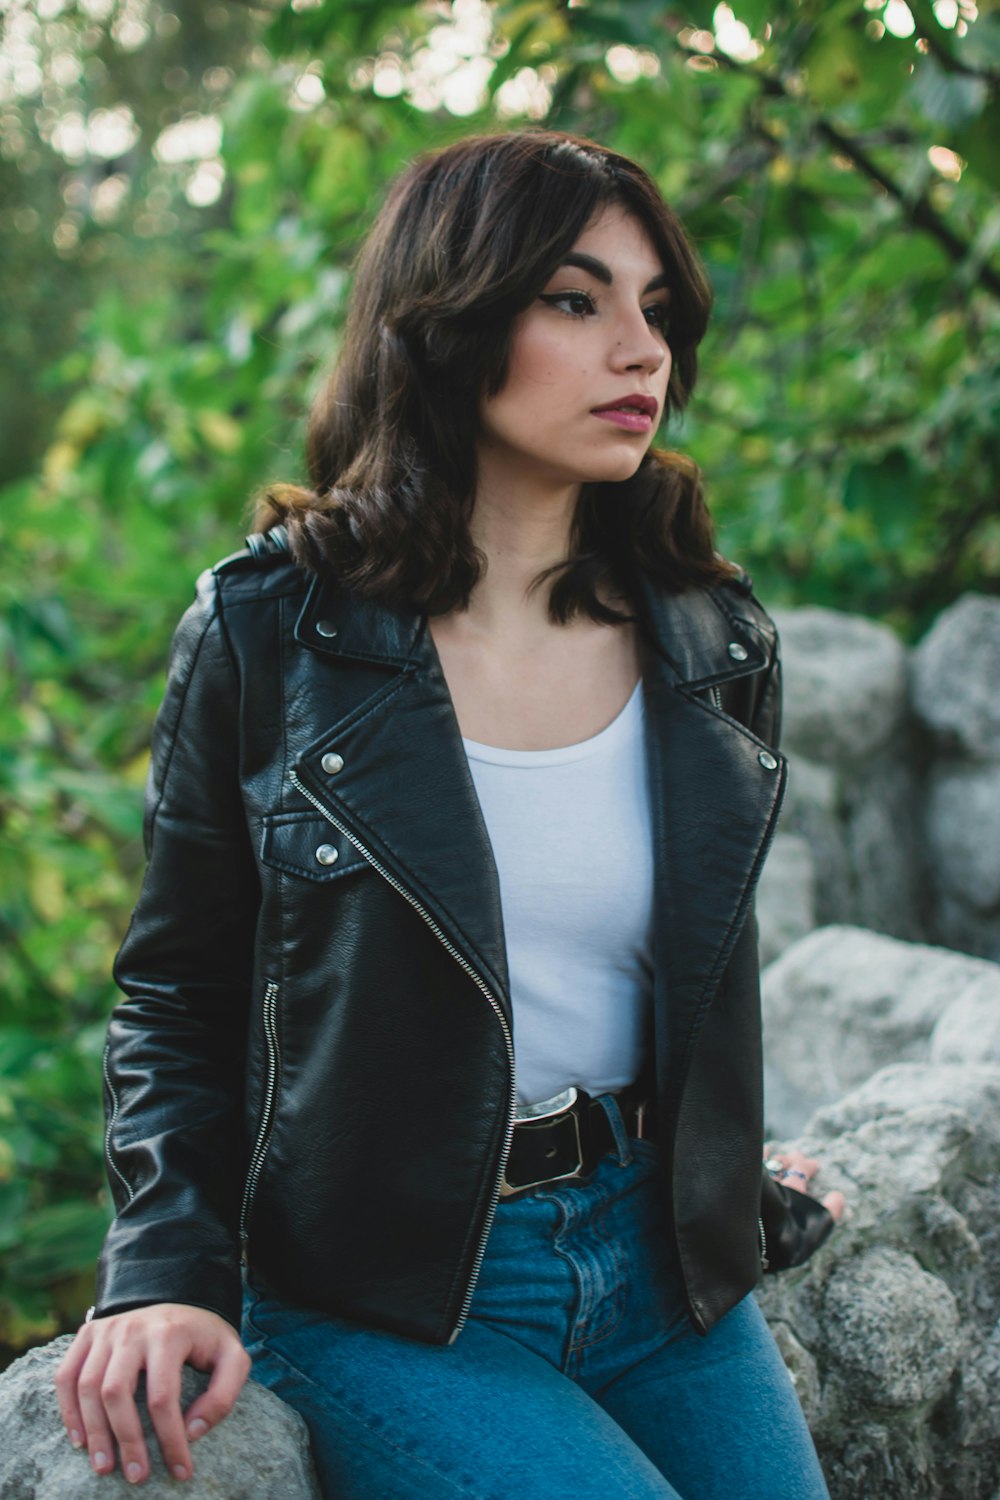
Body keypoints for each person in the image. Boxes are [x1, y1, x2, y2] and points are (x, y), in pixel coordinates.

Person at [56, 128, 845, 1498]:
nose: (639, 350)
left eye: (657, 309)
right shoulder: (271, 631)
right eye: (577, 299)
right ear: (451, 319)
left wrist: (728, 1173)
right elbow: (175, 991)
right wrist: (162, 1270)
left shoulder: (710, 634)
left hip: (658, 1263)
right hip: (393, 1291)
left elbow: (696, 971)